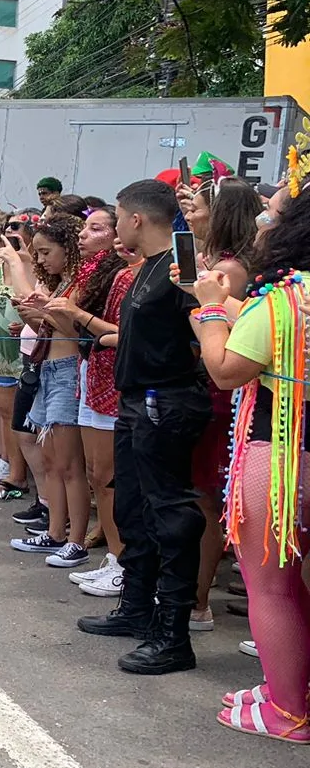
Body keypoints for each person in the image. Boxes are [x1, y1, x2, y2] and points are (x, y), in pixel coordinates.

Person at [190, 187, 310, 742]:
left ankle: (287, 711)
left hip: (279, 456)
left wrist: (211, 311)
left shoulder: (286, 296)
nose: (262, 218)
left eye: (274, 210)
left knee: (273, 587)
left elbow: (227, 369)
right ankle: (292, 689)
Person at [77, 179, 208, 675]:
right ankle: (136, 609)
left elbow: (208, 320)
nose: (114, 224)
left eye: (117, 214)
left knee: (170, 515)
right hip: (137, 404)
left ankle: (174, 636)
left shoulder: (182, 263)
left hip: (165, 401)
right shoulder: (145, 269)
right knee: (131, 507)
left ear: (135, 219)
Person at [177, 176, 260, 630]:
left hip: (224, 390)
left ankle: (198, 598)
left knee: (210, 496)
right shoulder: (218, 263)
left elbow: (222, 341)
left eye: (198, 205)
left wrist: (201, 305)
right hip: (215, 386)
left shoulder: (231, 268)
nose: (189, 211)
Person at [36, 209, 135, 592]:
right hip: (91, 375)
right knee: (97, 475)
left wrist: (75, 314)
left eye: (96, 228)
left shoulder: (125, 273)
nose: (84, 234)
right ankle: (114, 557)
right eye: (84, 227)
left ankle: (120, 559)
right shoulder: (104, 272)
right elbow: (79, 329)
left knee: (105, 477)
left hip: (113, 380)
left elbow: (109, 330)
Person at [4, 215, 93, 564]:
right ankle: (55, 532)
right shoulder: (60, 286)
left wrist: (19, 272)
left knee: (71, 464)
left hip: (68, 372)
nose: (40, 260)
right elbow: (48, 325)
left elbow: (73, 330)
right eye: (36, 254)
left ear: (66, 249)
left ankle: (76, 539)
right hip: (48, 369)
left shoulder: (78, 285)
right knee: (52, 460)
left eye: (45, 252)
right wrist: (30, 315)